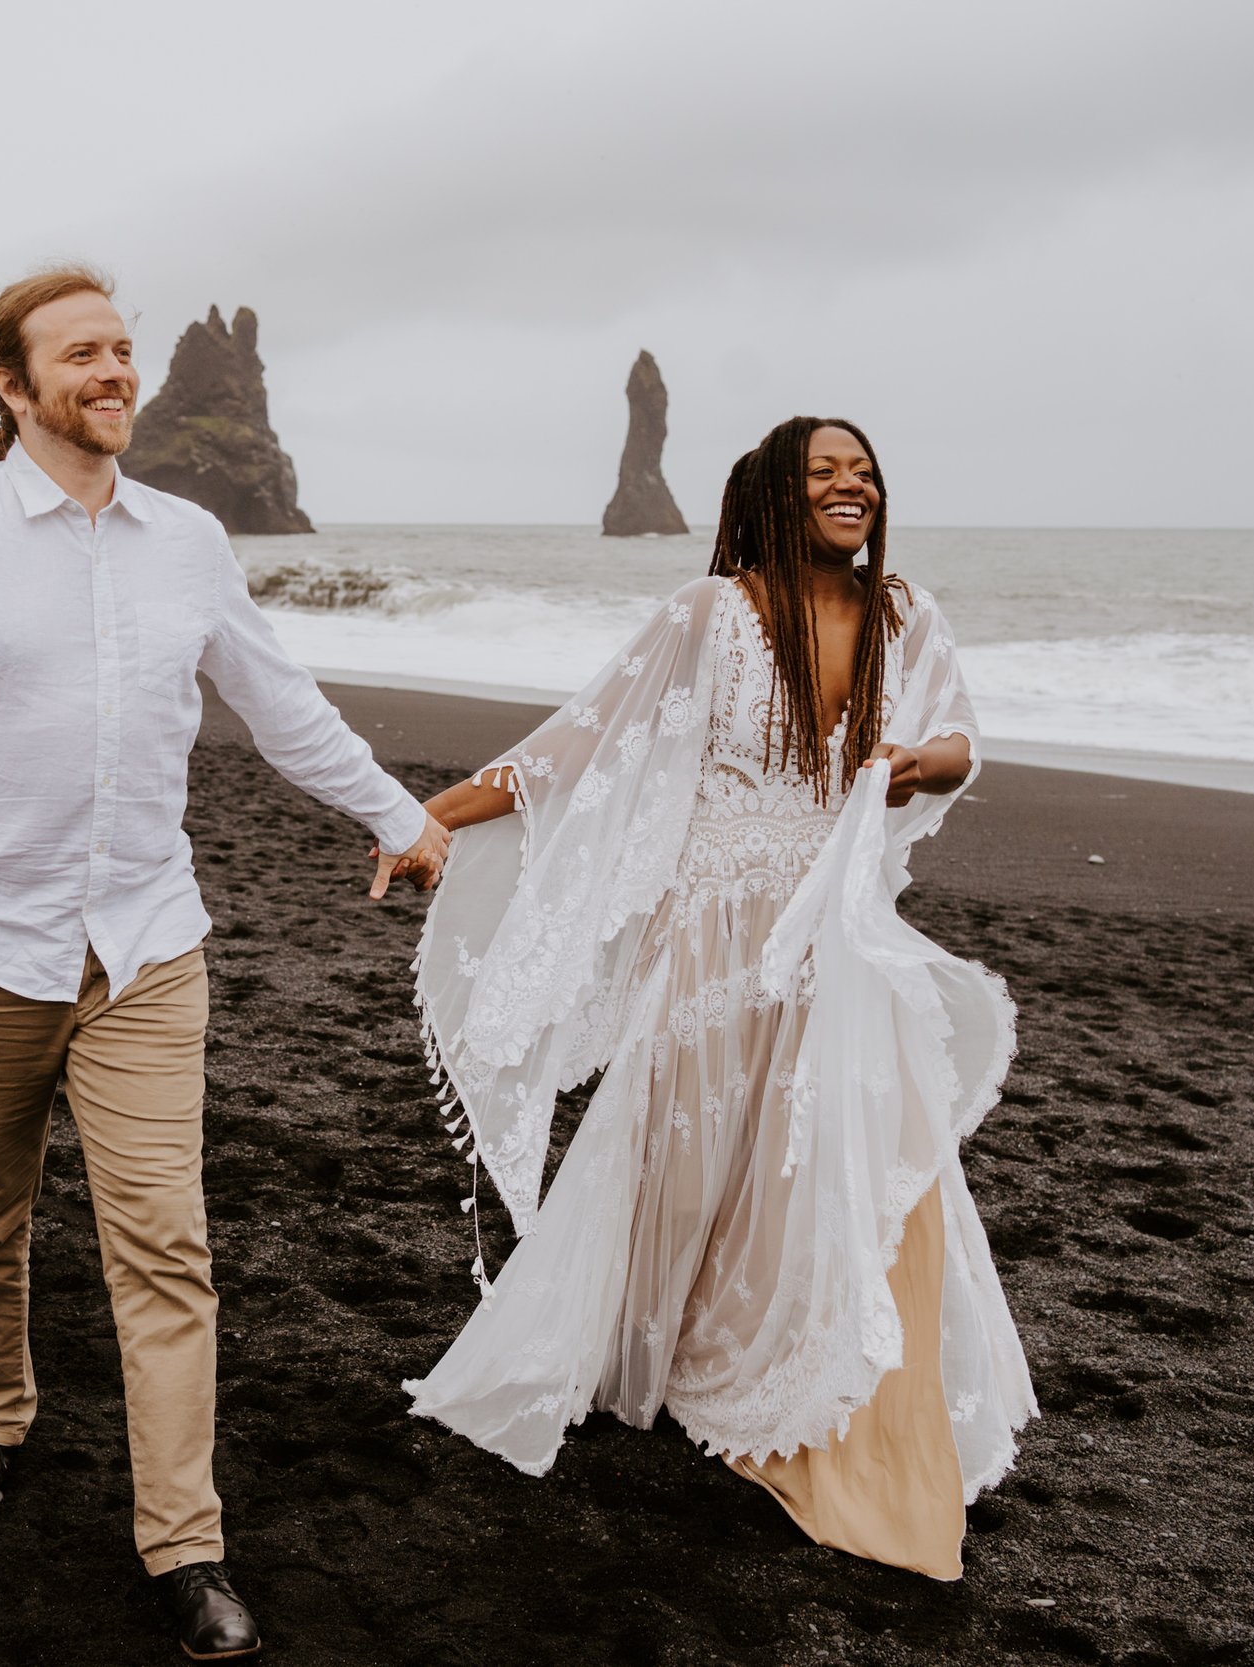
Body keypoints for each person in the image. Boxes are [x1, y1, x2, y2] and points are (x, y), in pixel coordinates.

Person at [0, 264, 451, 1659]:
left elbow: (279, 700)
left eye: (122, 349)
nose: (113, 371)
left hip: (149, 946)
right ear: (11, 382)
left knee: (167, 1246)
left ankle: (186, 1539)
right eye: (81, 353)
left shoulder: (188, 540)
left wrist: (404, 814)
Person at [394, 416, 1036, 1580]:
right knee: (687, 1157)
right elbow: (578, 745)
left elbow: (959, 741)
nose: (854, 488)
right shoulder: (711, 613)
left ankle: (849, 1406)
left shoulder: (906, 614)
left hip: (834, 925)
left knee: (860, 1151)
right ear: (773, 496)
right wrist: (431, 813)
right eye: (824, 474)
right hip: (711, 931)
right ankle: (657, 1355)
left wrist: (909, 766)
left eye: (865, 472)